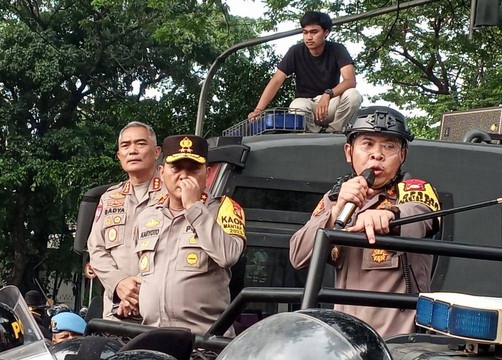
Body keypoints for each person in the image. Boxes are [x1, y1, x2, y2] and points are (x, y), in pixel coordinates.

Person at [289, 106, 440, 338]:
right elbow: (298, 255)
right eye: (367, 144)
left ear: (402, 155)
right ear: (349, 152)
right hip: (344, 338)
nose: (377, 154)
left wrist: (391, 214)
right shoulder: (334, 198)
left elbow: (421, 215)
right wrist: (336, 210)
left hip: (398, 341)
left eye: (389, 146)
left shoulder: (414, 189)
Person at [119, 135, 246, 336]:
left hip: (204, 342)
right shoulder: (147, 216)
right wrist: (134, 295)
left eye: (193, 169)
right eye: (176, 168)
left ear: (207, 172)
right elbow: (147, 273)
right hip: (152, 337)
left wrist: (194, 207)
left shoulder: (223, 209)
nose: (184, 176)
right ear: (162, 172)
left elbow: (228, 255)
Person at [88, 121, 165, 321]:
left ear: (157, 152)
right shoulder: (110, 197)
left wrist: (139, 291)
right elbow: (96, 249)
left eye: (140, 144)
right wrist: (119, 284)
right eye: (125, 146)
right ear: (119, 156)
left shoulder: (174, 194)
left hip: (159, 314)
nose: (132, 150)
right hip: (116, 314)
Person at [248, 11, 363, 133]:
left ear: (326, 33)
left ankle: (334, 132)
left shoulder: (337, 49)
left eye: (314, 32)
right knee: (297, 106)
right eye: (305, 32)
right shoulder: (295, 51)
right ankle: (316, 135)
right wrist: (258, 110)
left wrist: (328, 94)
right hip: (307, 106)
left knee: (353, 95)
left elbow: (350, 81)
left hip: (330, 103)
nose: (308, 37)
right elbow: (276, 80)